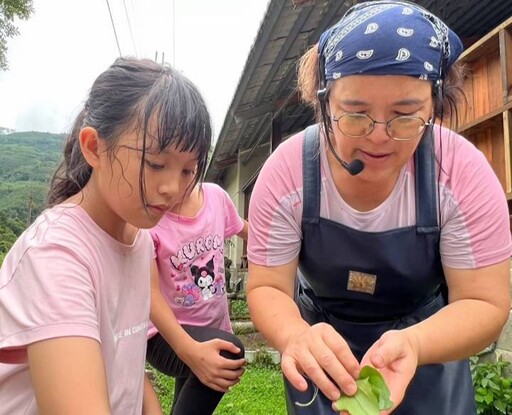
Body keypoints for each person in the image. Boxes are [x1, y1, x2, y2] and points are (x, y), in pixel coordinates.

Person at [246, 1, 512, 414]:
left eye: (405, 116)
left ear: (434, 105)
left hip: (428, 344)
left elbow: (484, 302)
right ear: (324, 102)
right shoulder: (288, 173)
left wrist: (416, 343)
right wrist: (294, 335)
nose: (378, 137)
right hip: (321, 351)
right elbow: (267, 287)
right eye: (355, 115)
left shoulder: (461, 175)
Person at [0, 56, 212, 415]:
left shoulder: (138, 239)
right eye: (156, 164)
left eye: (188, 170)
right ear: (95, 148)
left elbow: (122, 354)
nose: (172, 187)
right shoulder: (56, 256)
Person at [143, 180, 248, 415]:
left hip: (210, 329)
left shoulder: (216, 198)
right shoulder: (150, 220)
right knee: (229, 351)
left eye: (187, 169)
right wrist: (188, 349)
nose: (173, 182)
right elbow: (149, 293)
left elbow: (245, 231)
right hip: (164, 336)